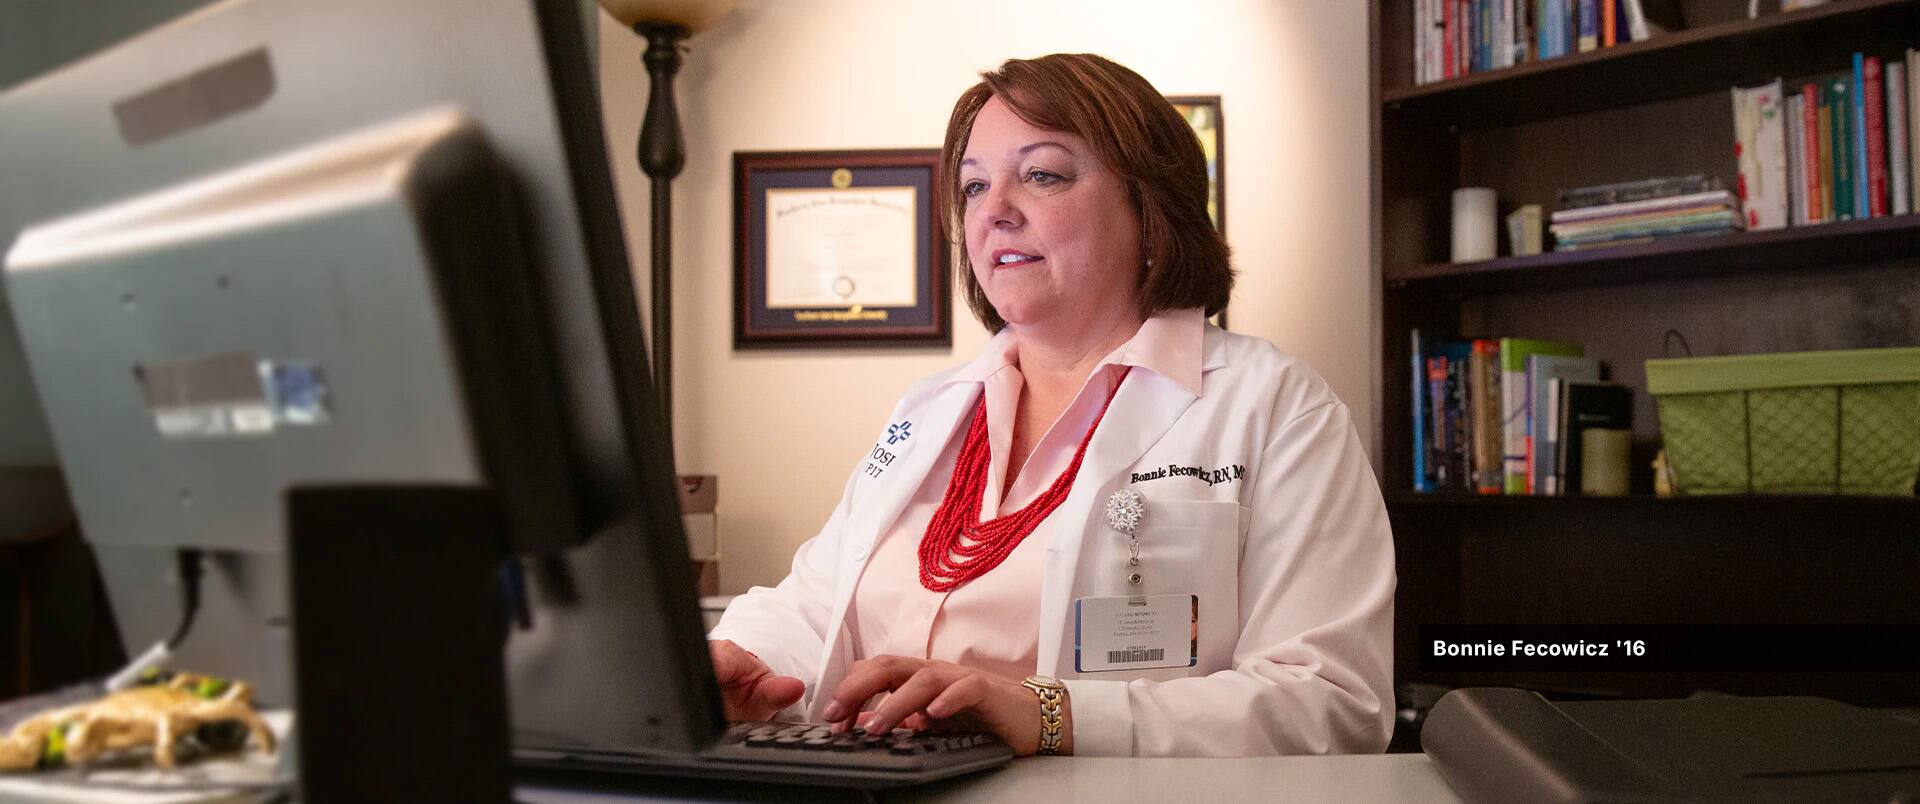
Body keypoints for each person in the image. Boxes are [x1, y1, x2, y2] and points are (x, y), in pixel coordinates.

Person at [708, 53, 1395, 758]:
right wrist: (743, 659)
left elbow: (1331, 701)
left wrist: (1052, 715)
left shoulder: (1275, 407)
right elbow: (822, 603)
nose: (994, 210)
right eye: (974, 187)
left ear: (1150, 206)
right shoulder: (931, 409)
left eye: (1042, 175)